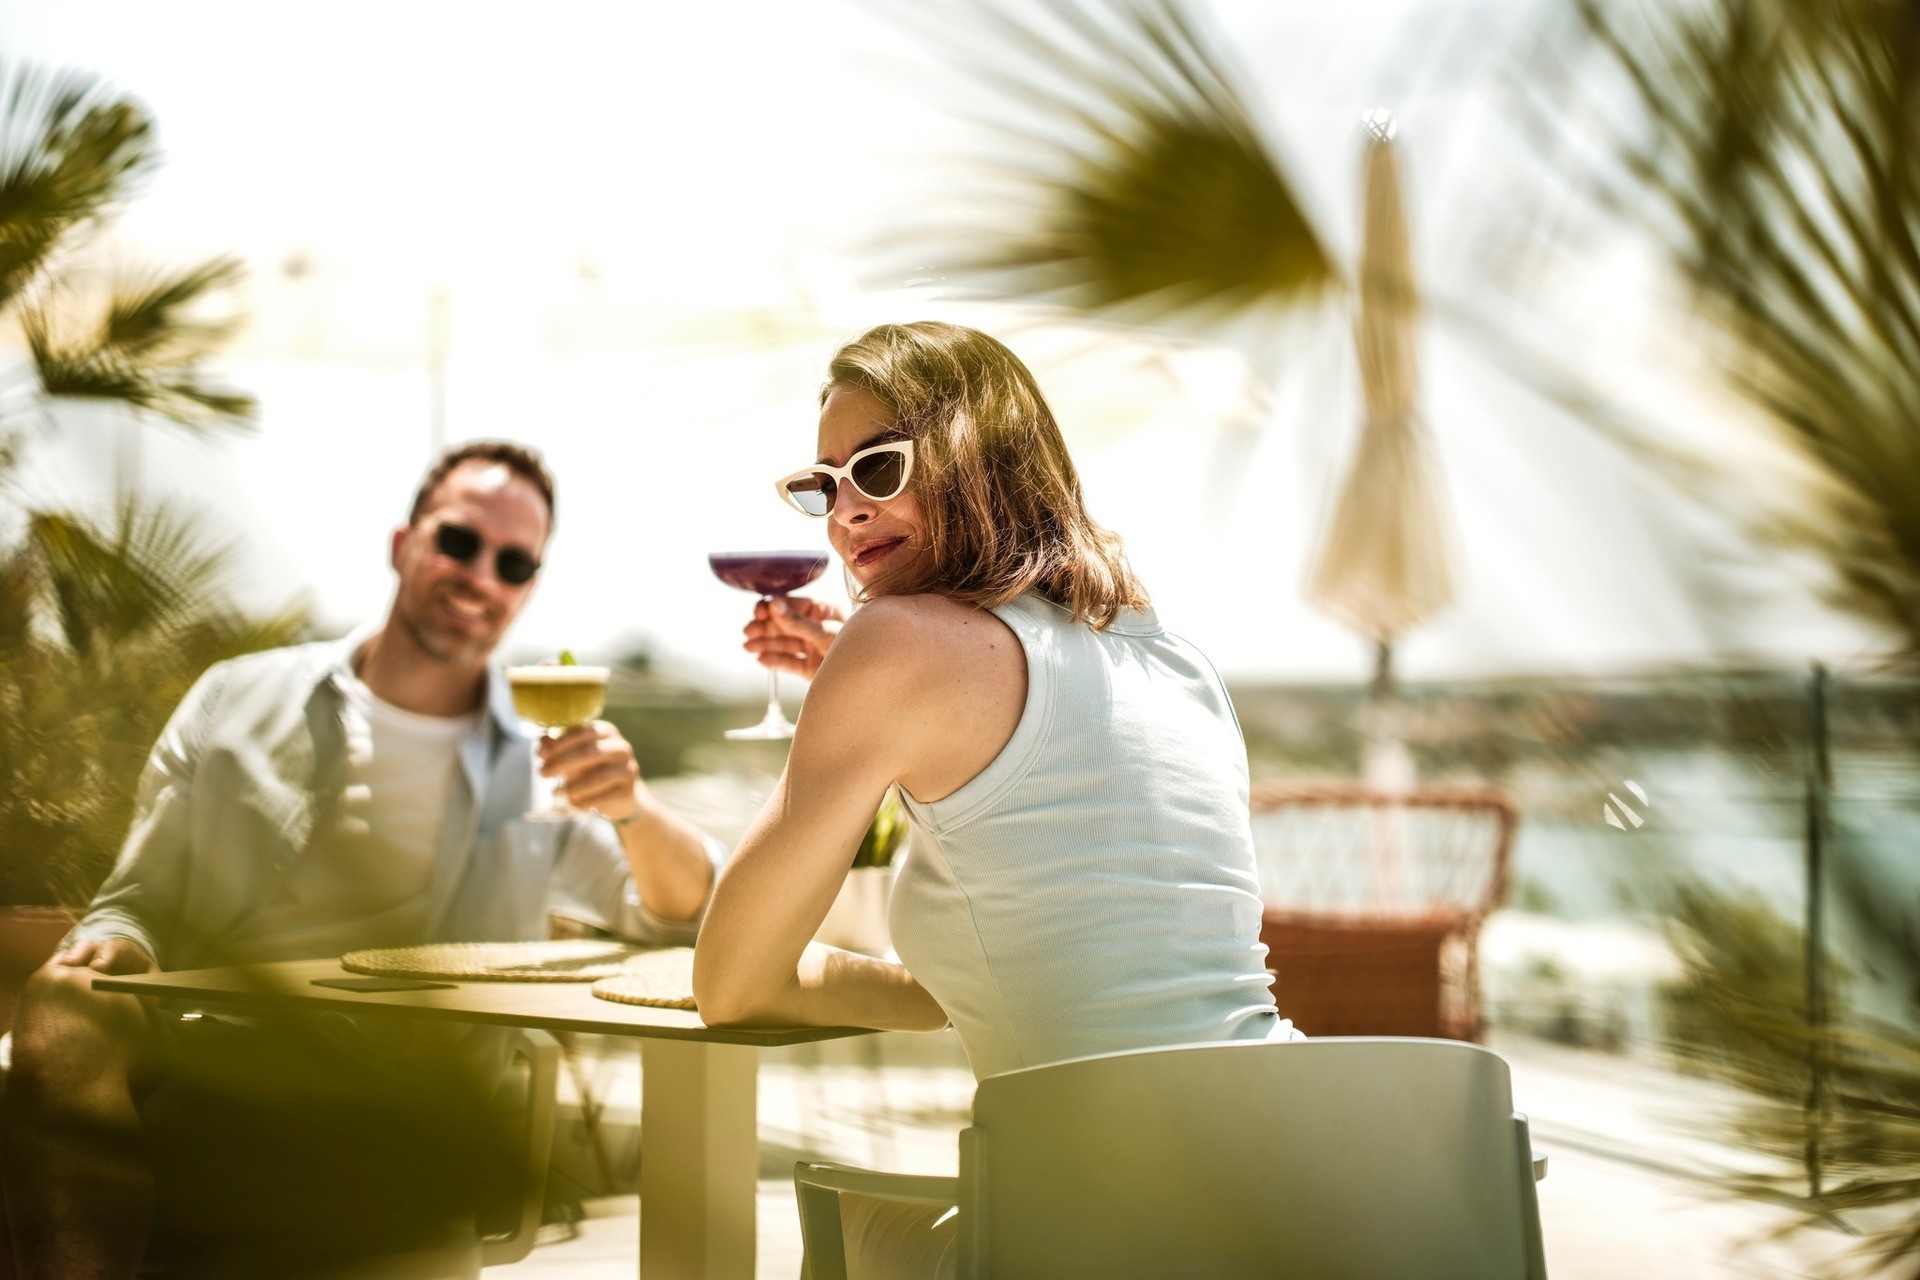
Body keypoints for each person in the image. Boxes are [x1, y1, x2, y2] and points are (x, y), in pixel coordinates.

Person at [1, 439, 722, 1279]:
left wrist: (631, 807)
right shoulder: (237, 698)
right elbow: (137, 902)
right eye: (459, 542)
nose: (481, 575)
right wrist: (111, 948)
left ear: (527, 590)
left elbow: (684, 908)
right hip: (212, 1049)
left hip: (405, 1086)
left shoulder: (536, 758)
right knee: (60, 1001)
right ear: (403, 544)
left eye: (514, 562)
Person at [692, 322, 1299, 1279]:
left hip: (1104, 1230)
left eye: (880, 470)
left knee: (842, 1226)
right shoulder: (1171, 659)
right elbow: (1075, 937)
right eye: (822, 485)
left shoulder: (895, 642)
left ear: (980, 459)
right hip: (1315, 1179)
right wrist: (849, 704)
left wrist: (854, 692)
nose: (845, 511)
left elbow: (730, 984)